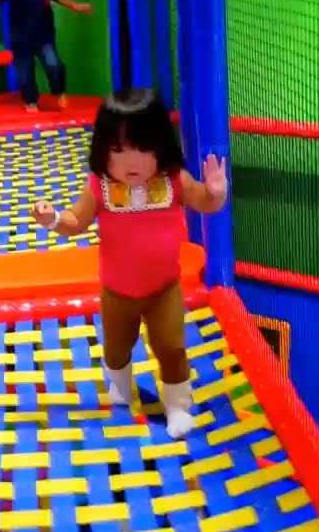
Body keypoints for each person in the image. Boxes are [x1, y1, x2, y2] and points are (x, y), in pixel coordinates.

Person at [29, 88, 228, 439]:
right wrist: (54, 219)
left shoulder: (174, 181)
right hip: (117, 290)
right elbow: (77, 221)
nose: (131, 162)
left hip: (163, 288)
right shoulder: (100, 187)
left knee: (171, 345)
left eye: (143, 149)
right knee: (117, 348)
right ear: (102, 152)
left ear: (161, 147)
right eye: (118, 151)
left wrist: (216, 192)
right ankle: (120, 383)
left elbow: (205, 203)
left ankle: (177, 406)